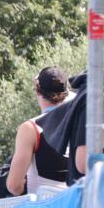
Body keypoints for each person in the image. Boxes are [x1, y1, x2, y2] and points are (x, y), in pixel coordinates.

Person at [7, 67, 72, 196]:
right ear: (66, 92)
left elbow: (14, 186)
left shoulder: (30, 128)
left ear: (37, 91)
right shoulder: (79, 124)